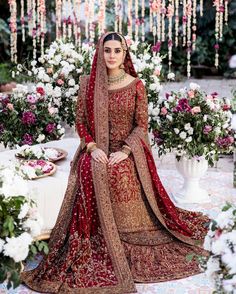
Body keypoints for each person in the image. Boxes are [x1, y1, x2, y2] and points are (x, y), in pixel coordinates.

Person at [22, 32, 209, 293]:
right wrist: (92, 146)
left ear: (124, 54)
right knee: (92, 168)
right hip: (95, 148)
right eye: (107, 50)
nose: (111, 55)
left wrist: (125, 151)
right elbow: (80, 122)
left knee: (118, 171)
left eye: (116, 51)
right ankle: (97, 239)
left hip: (126, 152)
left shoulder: (136, 85)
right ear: (100, 52)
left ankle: (126, 236)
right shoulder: (87, 84)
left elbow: (141, 127)